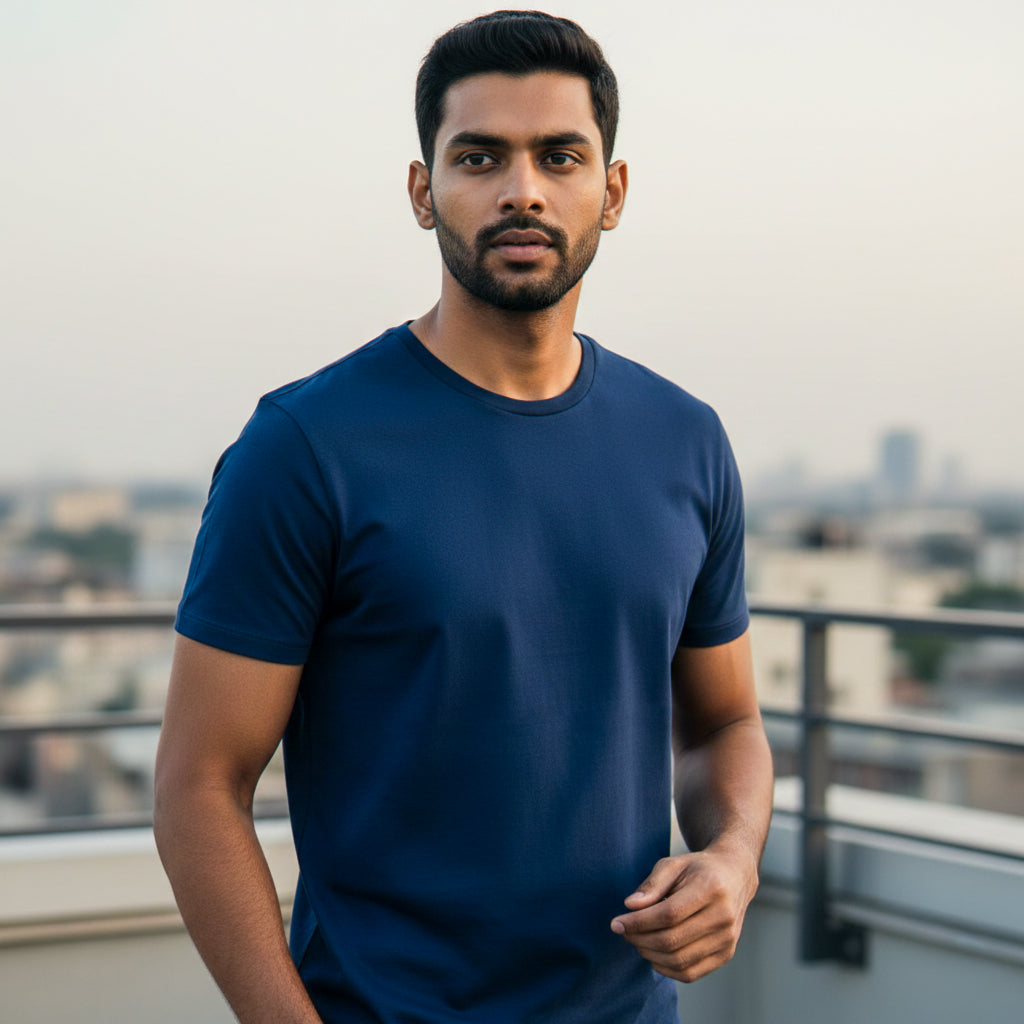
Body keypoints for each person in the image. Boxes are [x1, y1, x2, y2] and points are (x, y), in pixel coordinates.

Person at [154, 10, 773, 1024]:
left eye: (559, 156)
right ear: (421, 189)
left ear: (610, 193)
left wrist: (734, 856)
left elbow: (723, 722)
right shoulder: (305, 446)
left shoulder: (685, 440)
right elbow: (196, 786)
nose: (521, 189)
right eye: (479, 156)